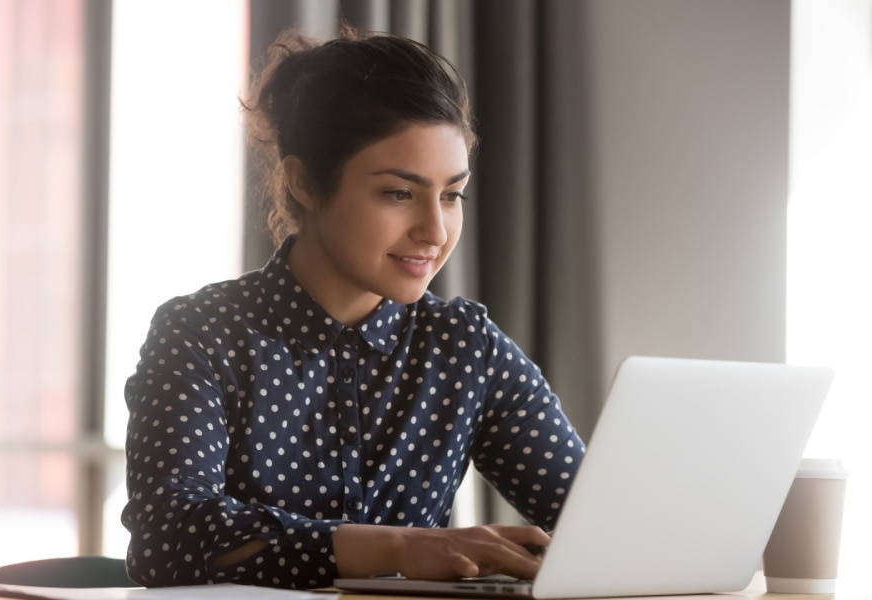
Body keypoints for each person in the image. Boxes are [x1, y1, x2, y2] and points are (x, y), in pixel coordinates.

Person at [121, 27, 585, 590]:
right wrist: (402, 547)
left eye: (451, 195)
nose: (435, 231)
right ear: (305, 183)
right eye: (398, 193)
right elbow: (169, 539)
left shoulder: (466, 347)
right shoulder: (201, 334)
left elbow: (599, 522)